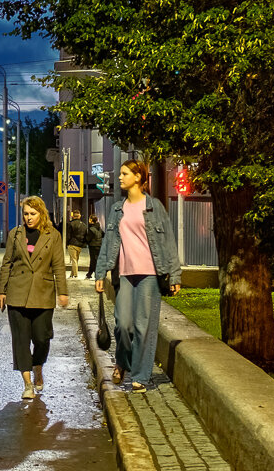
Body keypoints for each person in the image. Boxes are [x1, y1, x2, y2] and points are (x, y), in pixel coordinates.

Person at [93, 159, 182, 393]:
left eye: (124, 174)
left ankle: (140, 376)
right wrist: (100, 272)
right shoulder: (116, 209)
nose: (120, 177)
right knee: (123, 325)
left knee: (144, 327)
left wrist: (174, 275)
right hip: (124, 274)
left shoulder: (154, 207)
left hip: (150, 275)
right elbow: (108, 243)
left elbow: (168, 242)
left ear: (138, 177)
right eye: (120, 173)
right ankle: (123, 362)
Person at [0, 196, 69, 399]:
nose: (28, 218)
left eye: (33, 214)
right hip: (17, 292)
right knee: (20, 340)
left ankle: (38, 366)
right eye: (26, 214)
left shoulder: (52, 235)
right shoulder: (15, 234)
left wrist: (62, 292)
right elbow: (7, 263)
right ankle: (27, 383)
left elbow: (59, 267)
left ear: (41, 214)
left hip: (43, 293)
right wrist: (1, 291)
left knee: (42, 337)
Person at [65, 210, 87, 278]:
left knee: (74, 260)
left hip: (72, 243)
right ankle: (72, 274)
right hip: (80, 245)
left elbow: (68, 235)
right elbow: (85, 235)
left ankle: (75, 274)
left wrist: (66, 243)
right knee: (76, 260)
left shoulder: (70, 224)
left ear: (73, 216)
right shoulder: (84, 225)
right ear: (79, 216)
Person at [85, 215, 105, 280]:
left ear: (91, 220)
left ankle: (92, 273)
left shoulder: (91, 229)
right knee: (96, 260)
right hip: (99, 245)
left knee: (93, 260)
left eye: (89, 219)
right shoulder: (99, 227)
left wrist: (86, 241)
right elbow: (103, 234)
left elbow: (88, 238)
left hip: (93, 246)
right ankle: (91, 273)